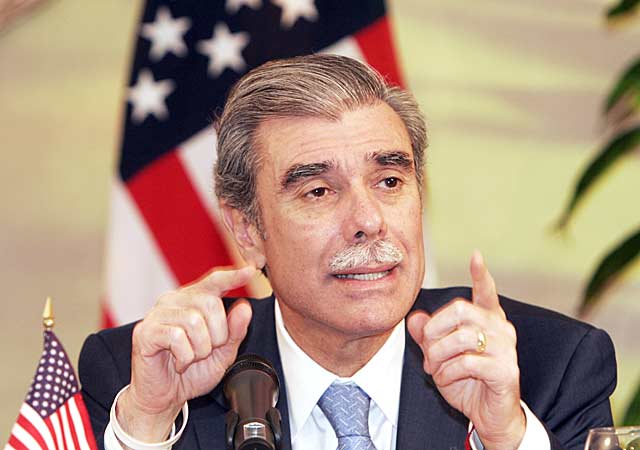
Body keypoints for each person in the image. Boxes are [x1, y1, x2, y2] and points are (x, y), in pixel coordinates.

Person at [79, 54, 617, 450]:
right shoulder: (145, 377)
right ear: (247, 228)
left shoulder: (550, 368)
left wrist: (507, 437)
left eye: (390, 181)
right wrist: (148, 422)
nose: (368, 220)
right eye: (318, 191)